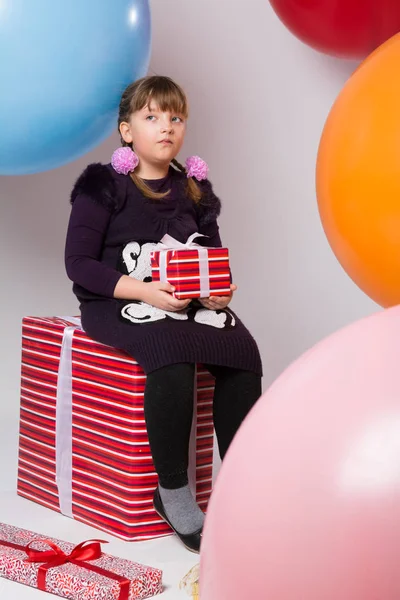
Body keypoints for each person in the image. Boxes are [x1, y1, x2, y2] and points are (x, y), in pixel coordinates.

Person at [65, 75, 262, 553]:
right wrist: (145, 293)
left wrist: (218, 294)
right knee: (170, 354)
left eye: (175, 117)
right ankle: (172, 491)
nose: (166, 126)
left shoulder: (194, 190)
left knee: (241, 350)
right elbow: (79, 263)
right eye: (151, 116)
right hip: (119, 300)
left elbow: (212, 257)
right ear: (127, 130)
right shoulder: (103, 185)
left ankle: (242, 486)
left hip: (185, 303)